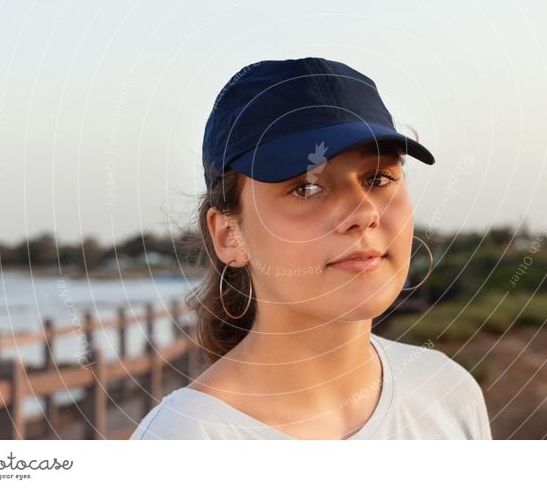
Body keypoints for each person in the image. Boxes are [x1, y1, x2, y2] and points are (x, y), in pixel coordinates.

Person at [131, 57, 492, 440]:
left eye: (379, 178)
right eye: (306, 188)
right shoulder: (183, 442)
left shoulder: (448, 391)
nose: (364, 212)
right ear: (228, 235)